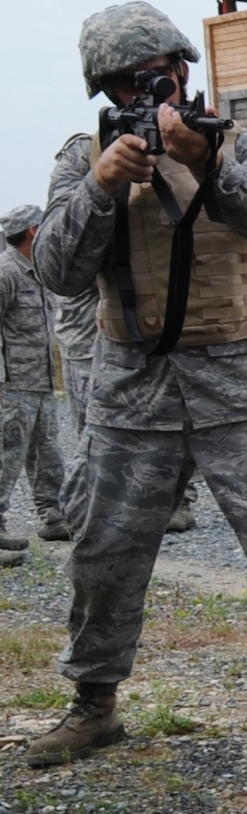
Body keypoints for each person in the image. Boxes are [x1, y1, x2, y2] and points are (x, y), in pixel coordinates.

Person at [26, 0, 247, 775]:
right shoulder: (80, 160)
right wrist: (99, 188)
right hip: (133, 391)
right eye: (127, 81)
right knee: (103, 554)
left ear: (184, 70)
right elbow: (56, 271)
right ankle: (94, 707)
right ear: (103, 90)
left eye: (158, 72)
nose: (147, 90)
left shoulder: (245, 146)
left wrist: (208, 162)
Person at [53, 282, 199, 533]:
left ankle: (179, 502)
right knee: (94, 437)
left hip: (129, 348)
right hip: (83, 349)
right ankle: (98, 509)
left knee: (163, 423)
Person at [0, 204, 68, 560]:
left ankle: (53, 515)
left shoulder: (38, 271)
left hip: (40, 381)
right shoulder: (6, 272)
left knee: (48, 452)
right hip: (12, 385)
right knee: (6, 456)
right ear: (32, 231)